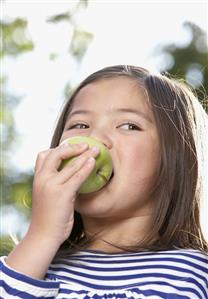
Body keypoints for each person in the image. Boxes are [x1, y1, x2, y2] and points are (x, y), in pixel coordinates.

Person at [0, 65, 208, 298]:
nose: (94, 139)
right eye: (80, 125)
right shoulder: (25, 265)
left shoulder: (190, 272)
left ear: (174, 157)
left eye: (129, 126)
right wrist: (42, 234)